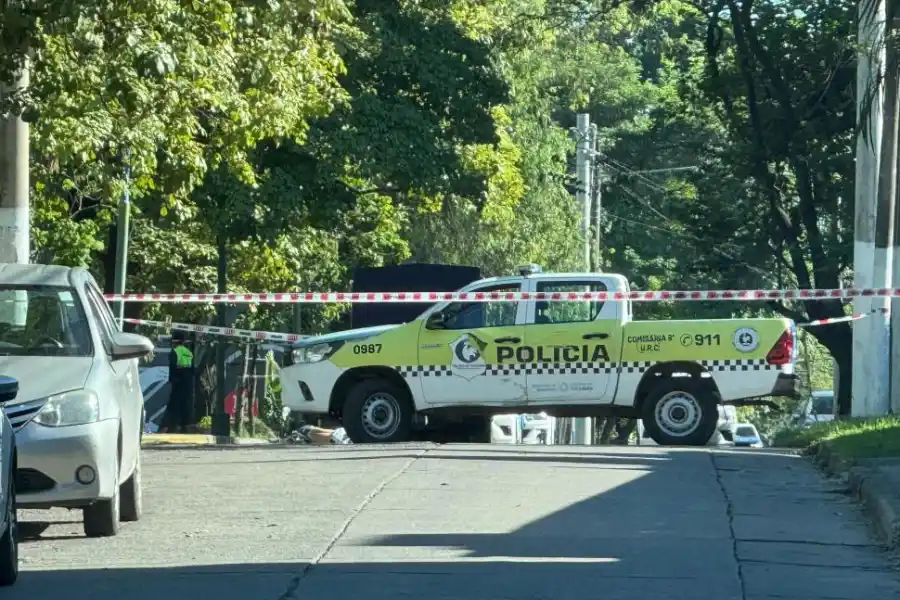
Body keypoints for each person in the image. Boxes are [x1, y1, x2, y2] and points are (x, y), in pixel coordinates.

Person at [160, 331, 194, 433]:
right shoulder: (189, 353)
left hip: (177, 384)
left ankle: (163, 429)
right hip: (188, 384)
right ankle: (185, 429)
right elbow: (192, 369)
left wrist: (171, 380)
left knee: (172, 407)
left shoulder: (174, 352)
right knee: (185, 408)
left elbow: (173, 367)